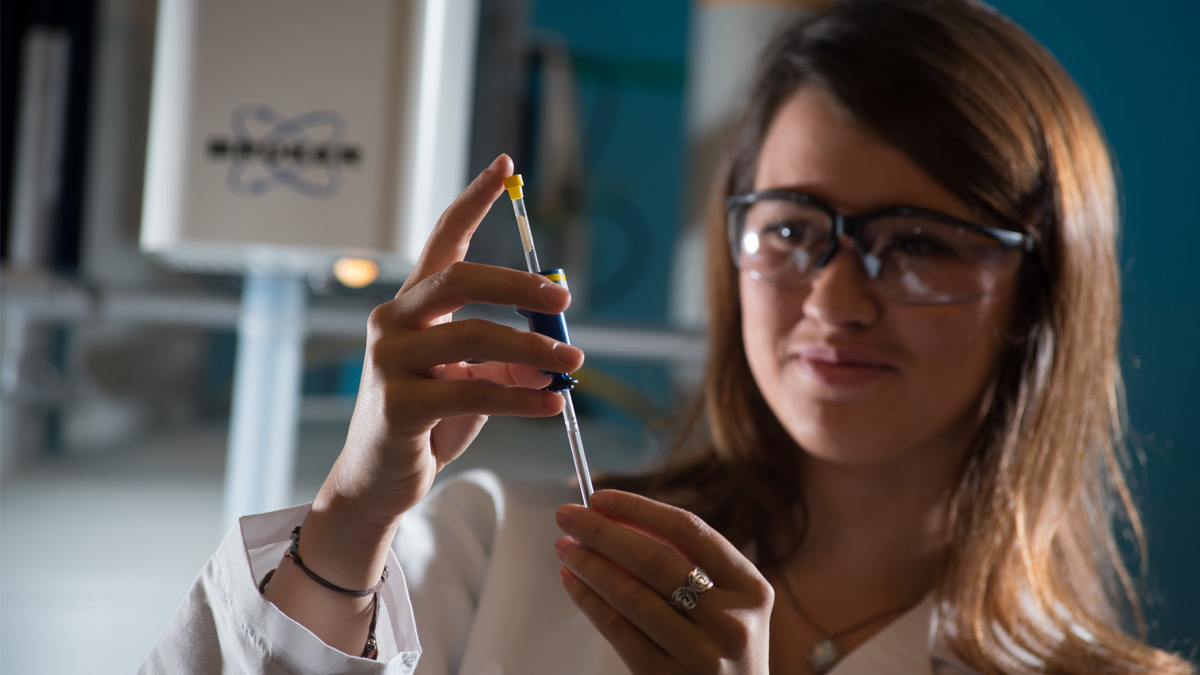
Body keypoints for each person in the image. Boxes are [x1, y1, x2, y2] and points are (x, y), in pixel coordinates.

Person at [143, 1, 1196, 673]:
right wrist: (349, 518)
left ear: (1042, 288)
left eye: (919, 241)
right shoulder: (496, 551)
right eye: (790, 228)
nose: (835, 296)